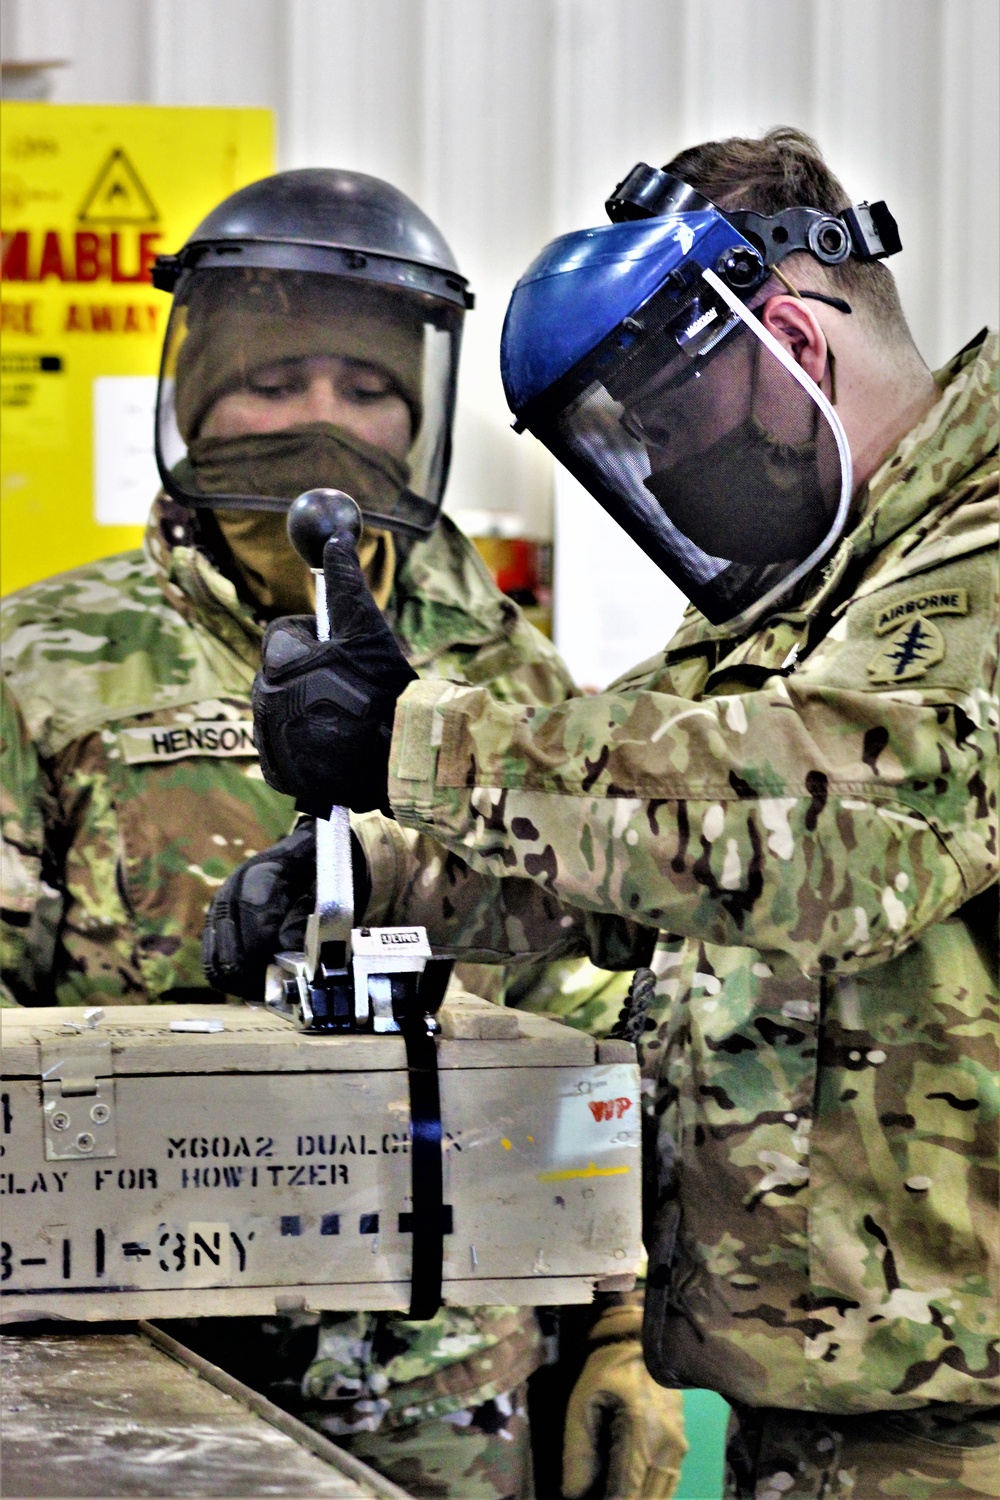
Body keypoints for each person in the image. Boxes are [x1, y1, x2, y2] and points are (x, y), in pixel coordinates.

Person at [230, 129, 999, 1498]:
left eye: (663, 421)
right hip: (831, 1420)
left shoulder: (975, 559)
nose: (653, 460)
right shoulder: (821, 596)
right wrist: (369, 875)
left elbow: (829, 825)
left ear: (791, 349)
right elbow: (635, 848)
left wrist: (416, 738)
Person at [0, 166, 685, 1499]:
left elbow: (611, 1022)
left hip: (450, 1385)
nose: (323, 419)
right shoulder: (43, 665)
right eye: (276, 378)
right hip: (123, 1367)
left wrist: (622, 1324)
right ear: (196, 392)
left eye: (368, 389)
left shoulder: (512, 686)